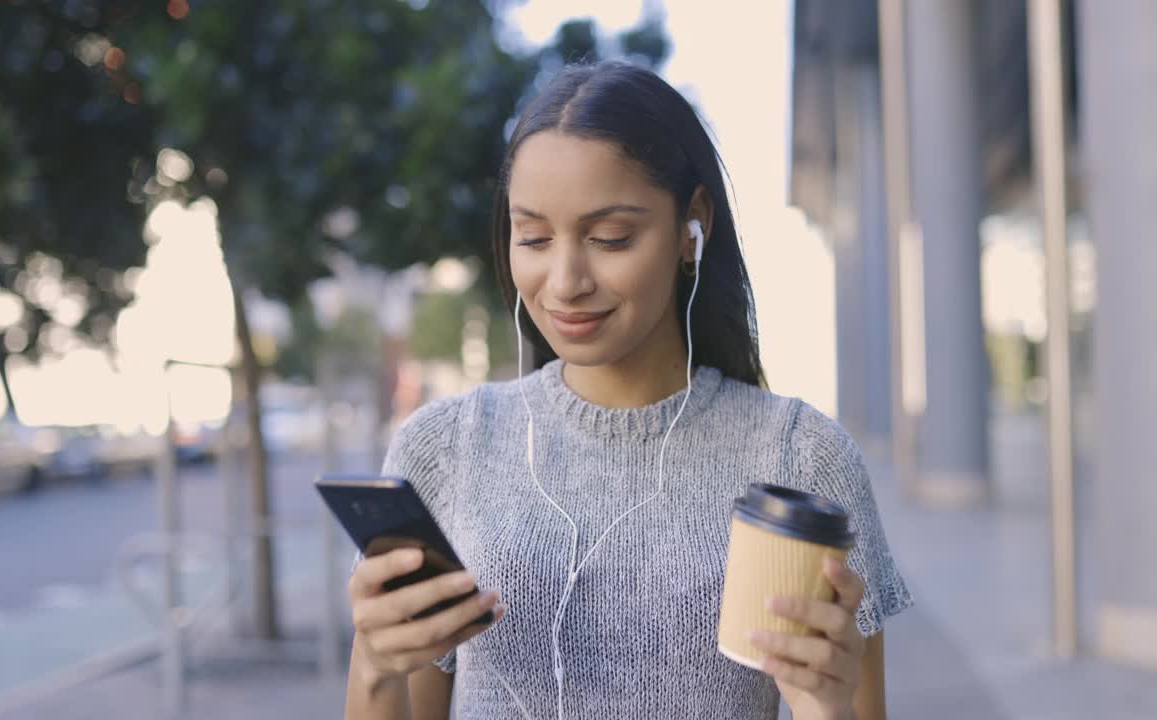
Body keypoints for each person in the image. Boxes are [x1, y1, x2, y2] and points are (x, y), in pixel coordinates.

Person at [344, 60, 913, 720]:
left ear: (690, 227)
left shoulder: (800, 458)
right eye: (531, 236)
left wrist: (829, 707)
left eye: (611, 237)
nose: (564, 281)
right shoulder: (443, 448)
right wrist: (374, 666)